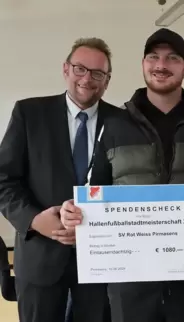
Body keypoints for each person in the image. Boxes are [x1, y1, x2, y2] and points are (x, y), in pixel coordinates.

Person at [58, 28, 184, 322]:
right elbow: (95, 191)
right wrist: (73, 211)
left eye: (172, 58)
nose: (161, 65)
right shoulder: (114, 125)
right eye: (153, 57)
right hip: (131, 286)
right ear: (143, 64)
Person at [0, 38, 116, 322]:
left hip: (102, 261)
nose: (87, 78)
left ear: (107, 80)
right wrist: (35, 219)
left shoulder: (123, 122)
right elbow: (4, 180)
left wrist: (97, 225)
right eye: (80, 68)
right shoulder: (29, 113)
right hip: (40, 259)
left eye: (97, 73)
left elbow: (129, 186)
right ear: (66, 69)